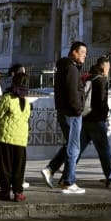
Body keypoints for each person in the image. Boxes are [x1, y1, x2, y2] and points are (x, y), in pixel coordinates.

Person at [41, 41, 88, 194]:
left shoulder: (64, 67)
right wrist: (78, 109)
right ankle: (69, 182)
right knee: (74, 148)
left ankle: (51, 169)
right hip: (71, 112)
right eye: (83, 53)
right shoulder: (72, 69)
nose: (85, 57)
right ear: (74, 52)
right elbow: (72, 93)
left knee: (70, 145)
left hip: (64, 111)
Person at [78, 56, 111, 187]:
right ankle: (110, 176)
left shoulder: (88, 77)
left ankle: (67, 175)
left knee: (78, 148)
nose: (109, 69)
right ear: (103, 67)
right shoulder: (101, 80)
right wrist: (104, 114)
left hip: (85, 118)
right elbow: (102, 101)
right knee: (104, 150)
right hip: (96, 119)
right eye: (108, 67)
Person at [0, 69, 32, 201]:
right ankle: (18, 192)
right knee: (19, 168)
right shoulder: (26, 102)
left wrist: (1, 121)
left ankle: (4, 192)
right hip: (21, 140)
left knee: (5, 167)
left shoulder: (7, 98)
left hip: (6, 139)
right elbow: (26, 117)